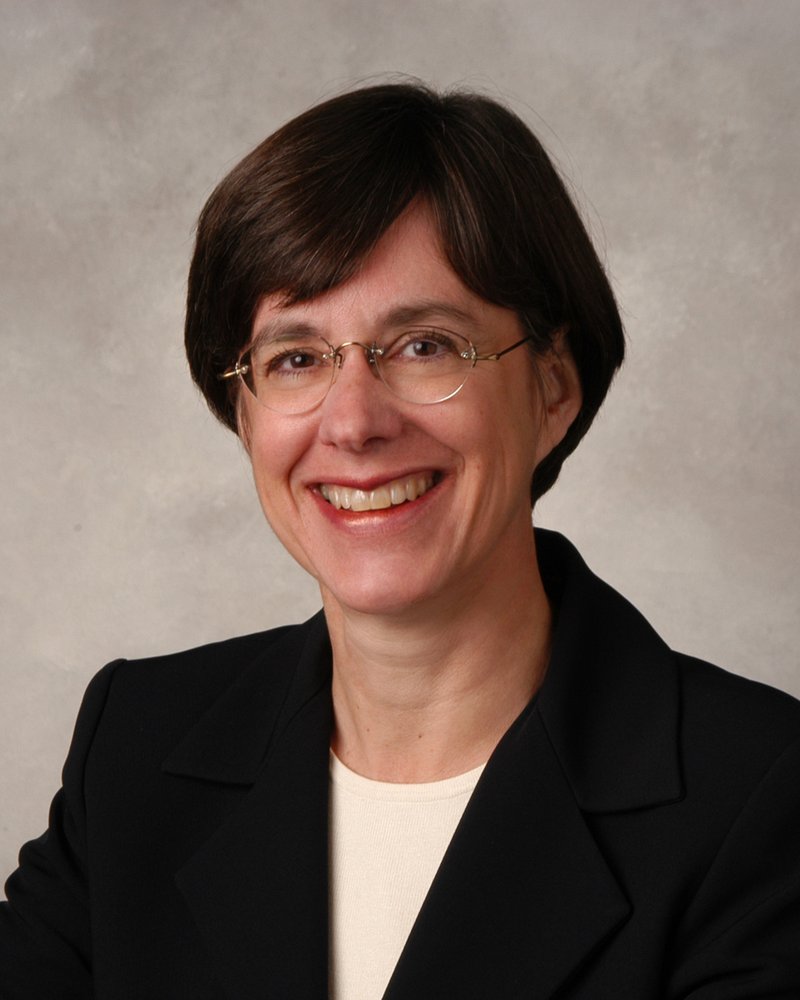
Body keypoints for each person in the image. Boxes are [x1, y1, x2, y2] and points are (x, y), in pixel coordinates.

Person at [1, 81, 799, 1000]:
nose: (353, 423)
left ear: (552, 390)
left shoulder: (760, 796)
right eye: (296, 358)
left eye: (425, 345)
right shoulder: (135, 749)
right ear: (245, 411)